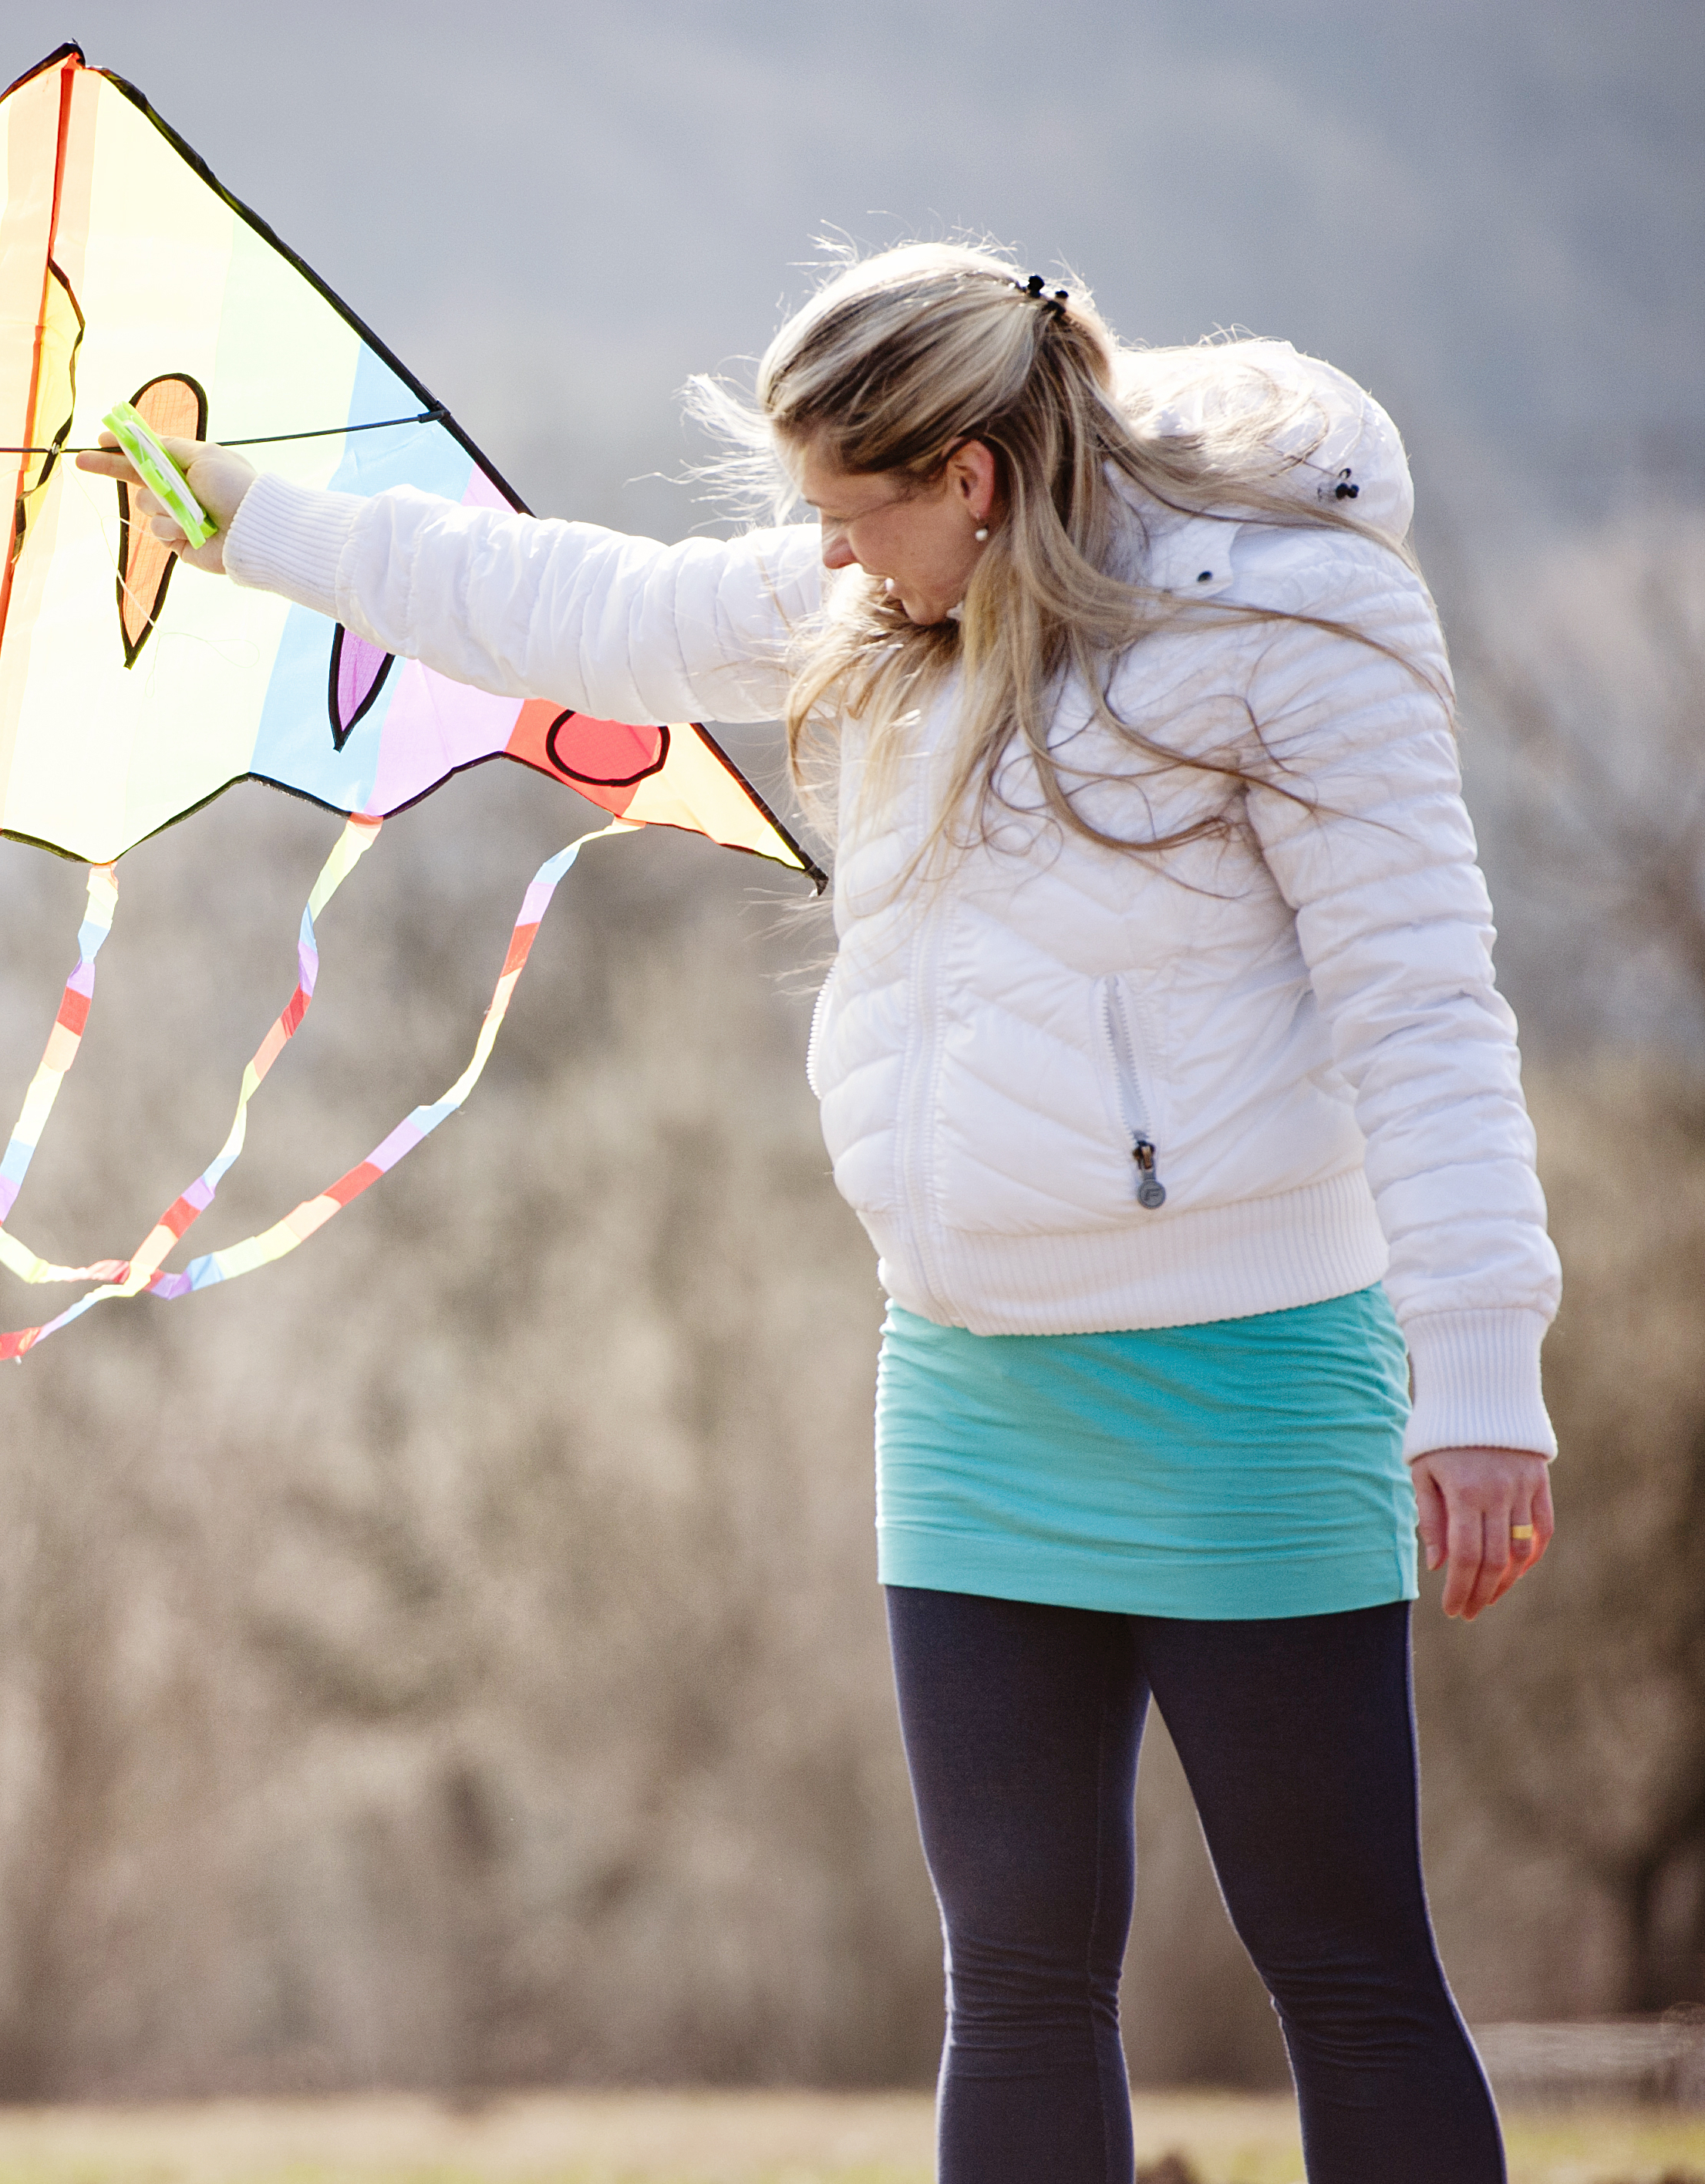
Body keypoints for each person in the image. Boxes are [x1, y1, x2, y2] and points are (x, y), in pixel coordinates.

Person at [83, 241, 1555, 2183]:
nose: (833, 563)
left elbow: (1422, 1003)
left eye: (856, 516)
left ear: (970, 473)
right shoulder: (887, 607)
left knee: (1342, 1960)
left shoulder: (1291, 629)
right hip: (964, 1390)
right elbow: (575, 602)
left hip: (1250, 1373)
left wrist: (1480, 1374)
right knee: (1019, 1973)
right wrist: (252, 520)